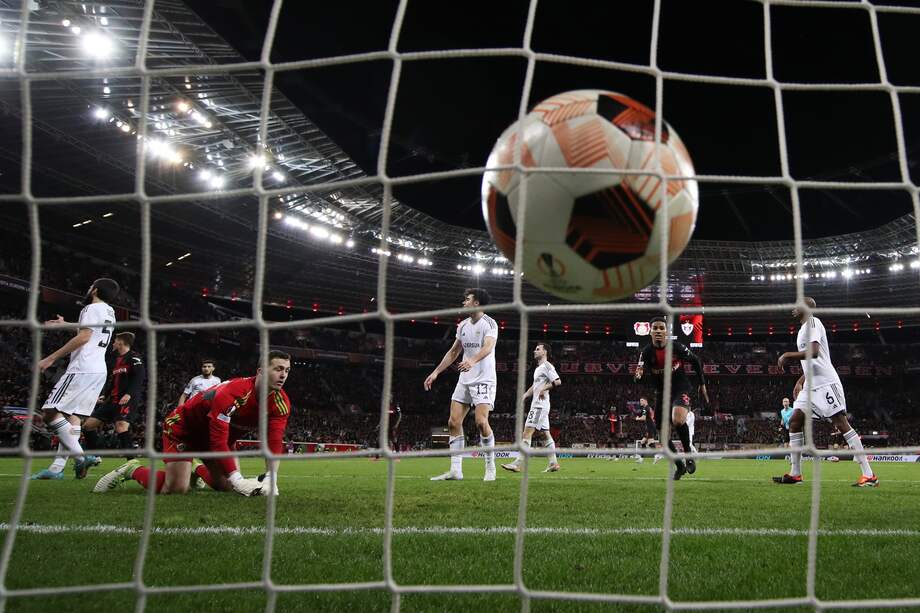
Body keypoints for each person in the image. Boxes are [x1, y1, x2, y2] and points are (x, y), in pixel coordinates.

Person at [94, 350, 293, 496]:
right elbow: (218, 442)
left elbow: (273, 442)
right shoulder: (233, 393)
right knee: (176, 489)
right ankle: (132, 470)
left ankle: (196, 469)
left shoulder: (280, 403)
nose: (283, 375)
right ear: (260, 371)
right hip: (184, 430)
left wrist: (271, 478)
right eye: (278, 369)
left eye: (287, 370)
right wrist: (238, 478)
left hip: (215, 437)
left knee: (227, 487)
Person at [773, 297, 878, 487]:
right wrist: (801, 380)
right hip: (810, 385)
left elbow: (814, 352)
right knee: (795, 421)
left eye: (797, 305)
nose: (794, 308)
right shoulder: (802, 330)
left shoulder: (814, 322)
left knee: (841, 423)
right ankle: (795, 473)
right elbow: (811, 362)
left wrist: (788, 355)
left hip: (825, 383)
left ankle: (869, 475)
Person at [30, 279, 119, 480]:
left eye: (90, 286)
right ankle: (56, 469)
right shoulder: (109, 311)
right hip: (98, 370)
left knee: (49, 412)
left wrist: (50, 358)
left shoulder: (90, 307)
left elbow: (85, 336)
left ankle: (80, 458)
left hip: (82, 368)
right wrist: (65, 324)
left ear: (95, 290)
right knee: (74, 417)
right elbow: (91, 331)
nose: (88, 289)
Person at [424, 288, 498, 481]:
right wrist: (436, 372)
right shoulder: (463, 325)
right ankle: (456, 470)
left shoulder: (490, 323)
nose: (463, 302)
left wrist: (472, 361)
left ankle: (490, 467)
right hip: (465, 379)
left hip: (483, 378)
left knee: (481, 423)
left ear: (477, 303)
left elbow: (488, 347)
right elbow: (453, 352)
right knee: (453, 422)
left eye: (467, 299)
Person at [634, 315, 709, 480]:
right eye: (656, 328)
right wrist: (638, 375)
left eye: (662, 328)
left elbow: (695, 360)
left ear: (667, 331)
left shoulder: (677, 347)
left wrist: (702, 384)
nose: (659, 331)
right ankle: (680, 466)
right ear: (651, 332)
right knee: (663, 438)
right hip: (661, 393)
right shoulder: (646, 353)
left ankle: (689, 456)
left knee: (678, 419)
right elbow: (637, 373)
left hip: (680, 388)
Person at [502, 342, 562, 473]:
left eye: (537, 349)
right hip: (541, 405)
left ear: (544, 352)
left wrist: (544, 388)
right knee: (545, 434)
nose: (534, 351)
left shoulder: (547, 366)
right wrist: (525, 396)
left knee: (527, 432)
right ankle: (553, 463)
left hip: (539, 406)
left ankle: (517, 463)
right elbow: (535, 386)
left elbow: (557, 381)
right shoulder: (538, 368)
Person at [82, 332, 145, 455]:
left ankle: (132, 462)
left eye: (115, 341)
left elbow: (140, 377)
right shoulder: (115, 360)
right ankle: (95, 456)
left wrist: (129, 394)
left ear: (121, 342)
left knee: (121, 427)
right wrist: (105, 395)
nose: (113, 343)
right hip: (111, 401)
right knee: (88, 426)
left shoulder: (134, 357)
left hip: (126, 400)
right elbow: (112, 381)